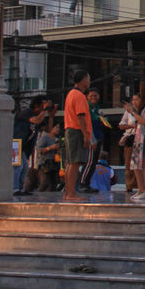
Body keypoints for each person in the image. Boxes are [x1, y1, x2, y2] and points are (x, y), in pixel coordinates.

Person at [61, 70, 93, 202]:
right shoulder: (79, 95)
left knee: (70, 163)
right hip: (76, 131)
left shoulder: (71, 94)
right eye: (88, 78)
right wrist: (85, 135)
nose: (89, 82)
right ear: (83, 80)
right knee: (74, 164)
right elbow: (81, 117)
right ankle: (71, 193)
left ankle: (69, 192)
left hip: (70, 130)